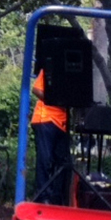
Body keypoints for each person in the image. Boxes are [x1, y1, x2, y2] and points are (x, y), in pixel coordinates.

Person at [31, 68, 71, 205]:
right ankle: (43, 196)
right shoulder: (49, 69)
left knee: (62, 161)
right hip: (46, 119)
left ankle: (56, 196)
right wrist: (54, 99)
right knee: (45, 159)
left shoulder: (75, 74)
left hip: (64, 123)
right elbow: (36, 89)